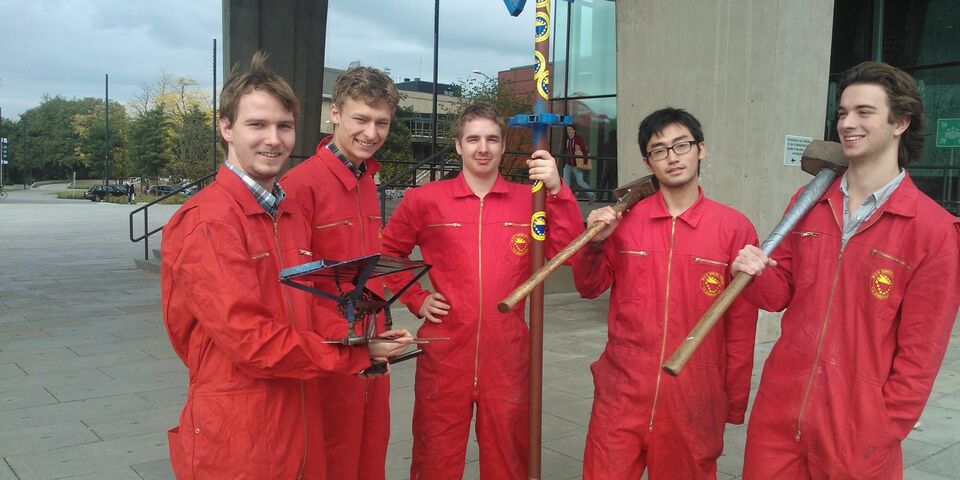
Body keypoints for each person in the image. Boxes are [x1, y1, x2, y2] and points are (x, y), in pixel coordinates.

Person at [160, 52, 412, 479]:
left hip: (297, 401)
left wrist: (362, 338)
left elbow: (308, 303)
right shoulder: (208, 221)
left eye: (284, 126)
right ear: (226, 128)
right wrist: (353, 355)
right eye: (256, 125)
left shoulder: (286, 214)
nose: (273, 139)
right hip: (240, 422)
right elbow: (248, 340)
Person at [733, 61, 960, 479]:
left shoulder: (933, 231)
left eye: (864, 112)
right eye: (842, 113)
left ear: (900, 122)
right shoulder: (809, 201)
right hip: (779, 415)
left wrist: (885, 425)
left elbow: (922, 353)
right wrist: (753, 271)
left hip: (859, 432)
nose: (847, 124)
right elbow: (777, 294)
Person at [381, 103, 584, 479]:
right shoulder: (425, 200)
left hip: (508, 356)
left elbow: (569, 252)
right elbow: (389, 253)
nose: (483, 148)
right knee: (434, 458)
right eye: (473, 139)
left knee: (508, 458)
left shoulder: (530, 200)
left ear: (504, 145)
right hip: (444, 352)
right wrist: (417, 299)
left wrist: (557, 191)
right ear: (458, 145)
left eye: (492, 139)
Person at [572, 107, 759, 479]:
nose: (672, 157)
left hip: (693, 399)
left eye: (681, 145)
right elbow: (589, 287)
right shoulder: (624, 223)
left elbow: (739, 325)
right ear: (648, 161)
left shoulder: (733, 228)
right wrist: (592, 243)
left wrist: (732, 401)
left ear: (701, 150)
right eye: (659, 150)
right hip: (621, 392)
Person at [280, 66, 399, 480]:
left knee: (371, 450)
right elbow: (297, 285)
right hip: (334, 351)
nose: (371, 132)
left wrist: (383, 326)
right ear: (335, 114)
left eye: (381, 122)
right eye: (361, 119)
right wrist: (350, 345)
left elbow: (367, 265)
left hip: (368, 345)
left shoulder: (366, 178)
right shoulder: (300, 185)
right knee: (333, 455)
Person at [563, 124, 595, 202]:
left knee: (580, 181)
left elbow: (585, 151)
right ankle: (567, 198)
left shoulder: (578, 139)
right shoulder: (568, 140)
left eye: (570, 129)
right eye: (567, 130)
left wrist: (584, 163)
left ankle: (591, 195)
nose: (569, 131)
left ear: (574, 130)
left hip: (577, 165)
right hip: (568, 164)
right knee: (566, 181)